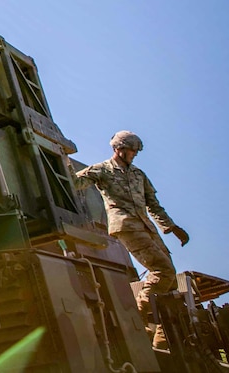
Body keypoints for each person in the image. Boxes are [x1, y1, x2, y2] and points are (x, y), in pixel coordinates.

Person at [74, 131, 190, 350]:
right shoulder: (102, 170)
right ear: (119, 148)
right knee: (162, 270)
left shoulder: (138, 174)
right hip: (126, 225)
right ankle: (137, 317)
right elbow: (74, 182)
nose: (134, 155)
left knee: (170, 278)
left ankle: (159, 336)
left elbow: (153, 205)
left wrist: (171, 227)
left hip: (146, 226)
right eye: (132, 151)